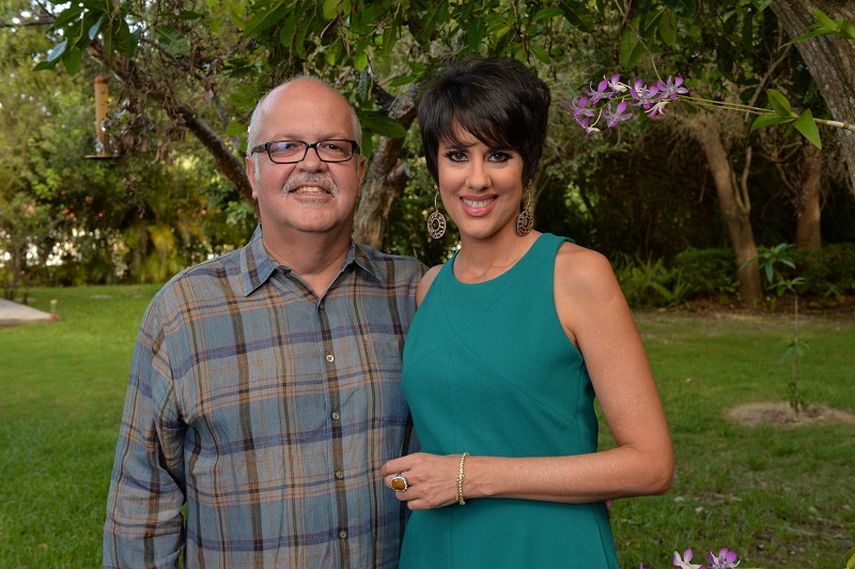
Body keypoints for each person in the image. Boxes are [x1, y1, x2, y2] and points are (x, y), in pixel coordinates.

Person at [104, 77, 424, 568]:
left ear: (359, 171)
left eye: (333, 147)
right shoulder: (184, 313)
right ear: (252, 173)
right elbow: (141, 509)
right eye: (285, 146)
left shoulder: (415, 295)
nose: (311, 162)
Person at [381, 57, 674, 568]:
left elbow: (650, 465)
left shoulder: (577, 275)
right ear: (435, 167)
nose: (477, 179)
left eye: (498, 154)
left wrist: (467, 477)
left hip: (548, 548)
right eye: (456, 155)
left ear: (527, 165)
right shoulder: (429, 289)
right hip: (437, 551)